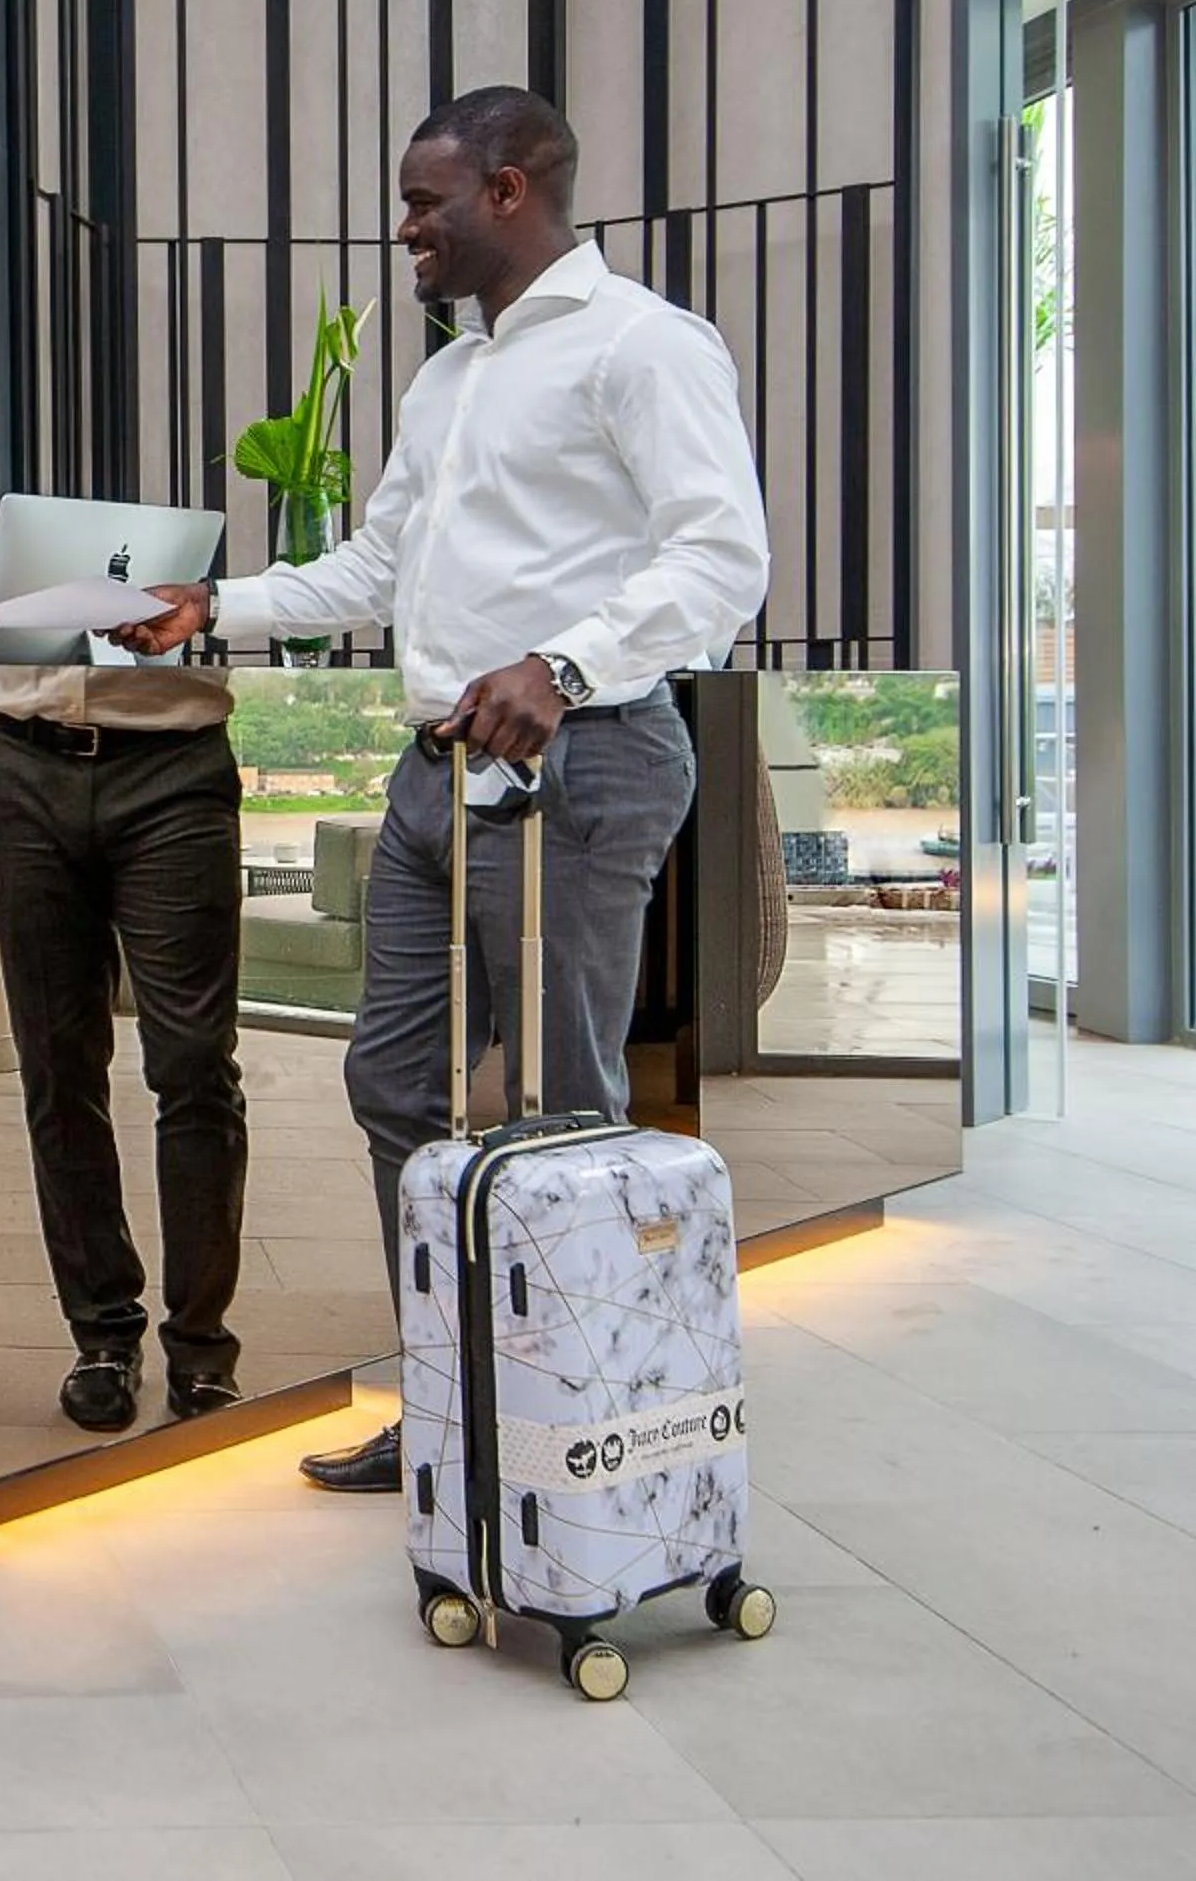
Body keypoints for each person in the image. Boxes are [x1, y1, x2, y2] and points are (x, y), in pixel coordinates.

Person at [112, 85, 771, 1494]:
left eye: (426, 202)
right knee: (394, 1082)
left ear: (512, 189)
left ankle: (586, 1447)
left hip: (582, 766)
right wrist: (210, 605)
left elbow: (722, 558)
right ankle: (456, 1404)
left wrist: (566, 664)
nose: (406, 227)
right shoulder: (450, 375)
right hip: (435, 777)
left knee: (562, 1110)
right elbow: (373, 566)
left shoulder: (642, 346)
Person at [0, 648, 248, 1433]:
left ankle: (199, 1343)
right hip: (25, 762)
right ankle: (101, 1335)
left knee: (193, 1062)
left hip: (175, 767)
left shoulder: (198, 512)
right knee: (57, 1066)